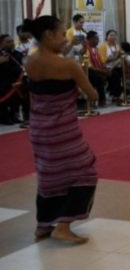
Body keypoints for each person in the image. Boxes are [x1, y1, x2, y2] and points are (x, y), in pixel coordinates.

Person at [23, 16, 99, 243]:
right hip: (63, 130)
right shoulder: (68, 66)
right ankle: (63, 226)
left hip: (39, 128)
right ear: (49, 35)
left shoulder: (30, 61)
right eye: (61, 34)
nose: (65, 39)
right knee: (86, 172)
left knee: (49, 176)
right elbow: (92, 95)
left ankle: (43, 225)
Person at [98, 30, 124, 103]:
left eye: (114, 35)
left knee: (124, 74)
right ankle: (116, 95)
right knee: (115, 75)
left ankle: (121, 93)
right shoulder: (103, 46)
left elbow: (121, 56)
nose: (113, 37)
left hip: (117, 66)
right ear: (107, 37)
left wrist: (118, 56)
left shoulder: (117, 46)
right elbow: (103, 60)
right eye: (111, 35)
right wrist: (115, 57)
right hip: (107, 68)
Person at [85, 31, 109, 107]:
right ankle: (97, 100)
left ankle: (114, 96)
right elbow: (88, 66)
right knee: (97, 77)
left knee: (113, 74)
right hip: (87, 71)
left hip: (97, 70)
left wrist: (105, 69)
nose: (98, 40)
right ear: (90, 39)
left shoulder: (96, 49)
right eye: (96, 38)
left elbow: (101, 61)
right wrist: (102, 71)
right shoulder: (86, 49)